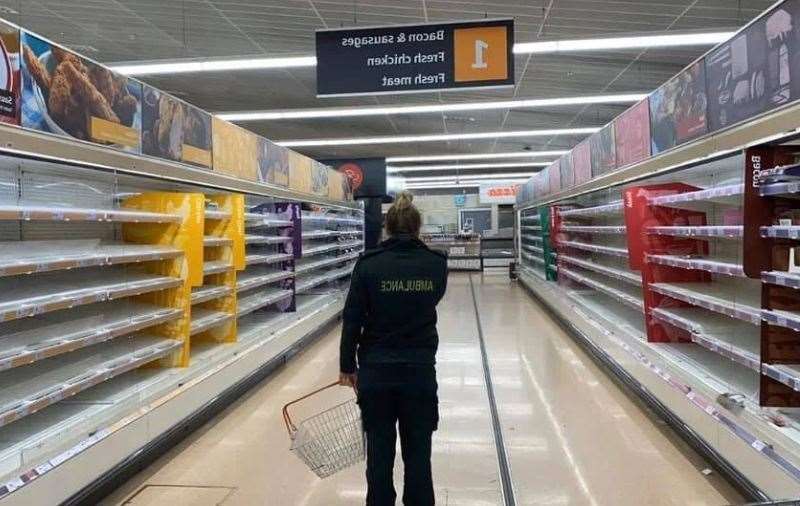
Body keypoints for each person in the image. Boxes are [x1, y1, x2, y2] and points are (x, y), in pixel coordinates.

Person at [339, 192, 448, 506]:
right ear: (417, 227)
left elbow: (352, 319)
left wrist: (347, 367)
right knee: (418, 457)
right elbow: (431, 301)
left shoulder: (368, 265)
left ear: (386, 227)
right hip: (419, 372)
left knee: (379, 455)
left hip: (376, 372)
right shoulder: (436, 265)